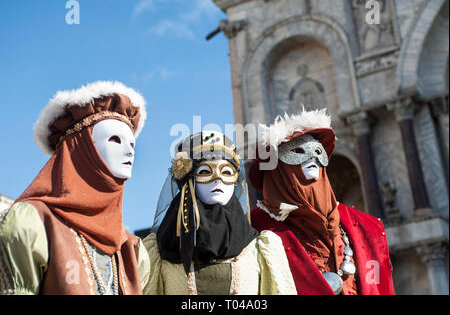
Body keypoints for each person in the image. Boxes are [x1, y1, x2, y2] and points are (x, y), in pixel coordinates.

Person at [0, 81, 150, 295]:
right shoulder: (33, 225)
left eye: (132, 144)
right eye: (115, 140)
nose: (129, 152)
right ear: (81, 149)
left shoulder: (133, 251)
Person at [248, 108, 395, 295]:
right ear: (278, 168)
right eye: (298, 151)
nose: (313, 157)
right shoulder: (255, 228)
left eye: (318, 150)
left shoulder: (364, 226)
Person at [143, 131, 296, 295]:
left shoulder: (260, 249)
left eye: (227, 172)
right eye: (204, 172)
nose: (218, 180)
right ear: (187, 180)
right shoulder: (157, 252)